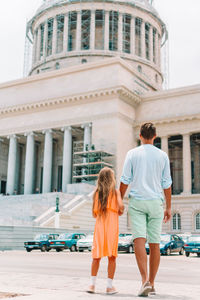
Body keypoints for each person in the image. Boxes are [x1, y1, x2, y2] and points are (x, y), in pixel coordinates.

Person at [120, 122, 172, 297]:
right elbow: (167, 183)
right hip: (156, 203)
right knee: (155, 244)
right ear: (155, 137)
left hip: (138, 202)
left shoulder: (132, 154)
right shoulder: (162, 155)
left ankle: (144, 281)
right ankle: (153, 283)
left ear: (140, 136)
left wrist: (119, 199)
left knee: (139, 241)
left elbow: (125, 179)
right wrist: (169, 206)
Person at [87, 167, 124, 295]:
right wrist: (118, 209)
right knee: (112, 257)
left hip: (100, 226)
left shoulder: (97, 193)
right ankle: (109, 286)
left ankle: (92, 285)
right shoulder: (116, 192)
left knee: (96, 256)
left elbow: (93, 213)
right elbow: (121, 207)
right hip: (112, 226)